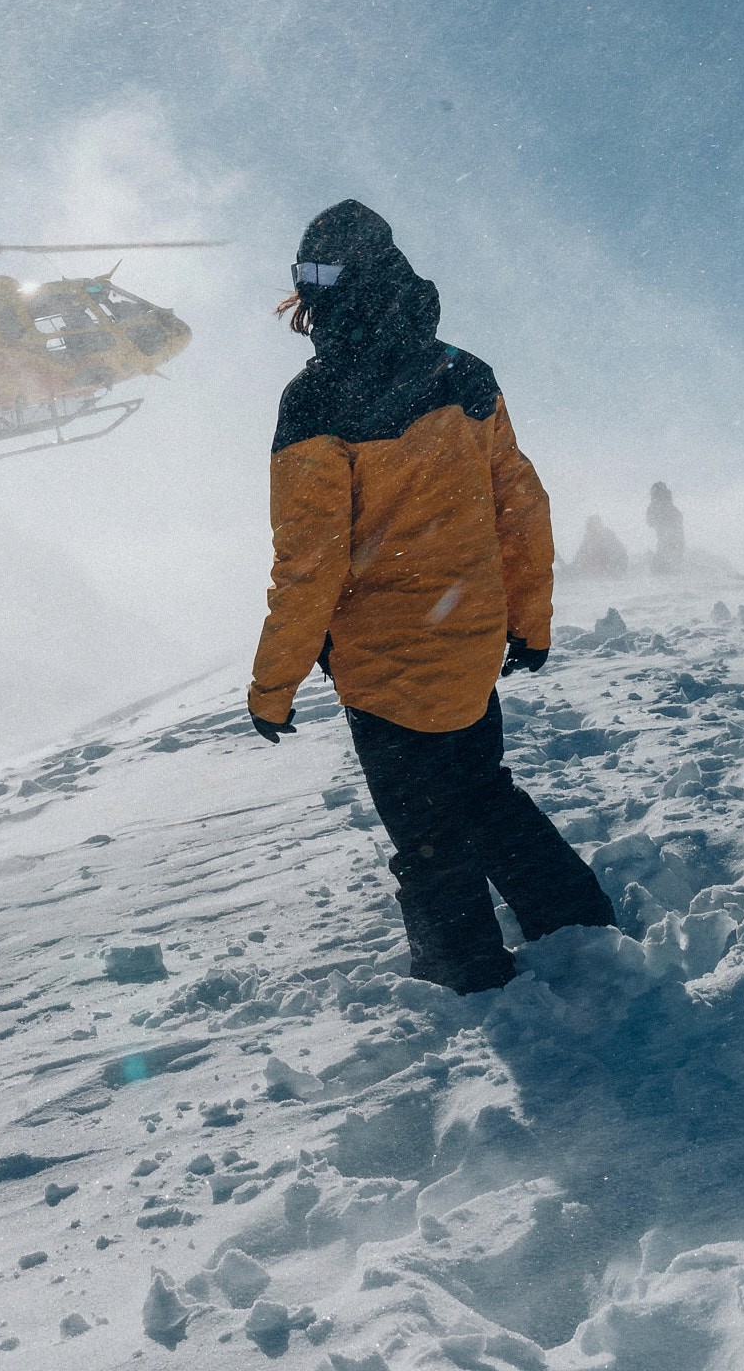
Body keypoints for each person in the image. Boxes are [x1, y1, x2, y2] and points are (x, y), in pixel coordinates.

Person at [245, 200, 614, 993]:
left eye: (313, 275)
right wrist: (531, 621)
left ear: (340, 282)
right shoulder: (464, 372)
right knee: (485, 794)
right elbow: (523, 507)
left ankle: (467, 974)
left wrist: (273, 687)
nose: (304, 290)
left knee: (427, 834)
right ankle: (579, 922)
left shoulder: (314, 402)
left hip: (384, 667)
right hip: (472, 640)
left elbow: (310, 563)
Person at [646, 481, 686, 577]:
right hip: (669, 543)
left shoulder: (665, 508)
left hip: (671, 543)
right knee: (660, 566)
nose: (654, 497)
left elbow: (651, 521)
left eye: (655, 494)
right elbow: (650, 521)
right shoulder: (665, 508)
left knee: (660, 567)